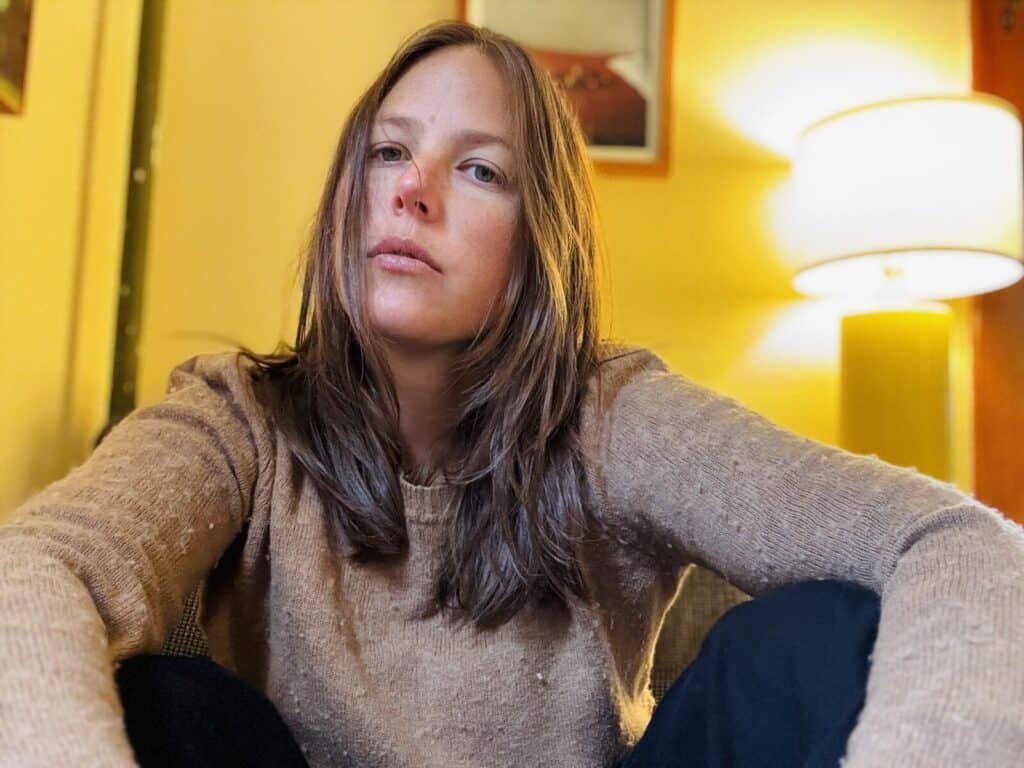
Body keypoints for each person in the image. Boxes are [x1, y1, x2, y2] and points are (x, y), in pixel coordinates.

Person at [1, 19, 1022, 768]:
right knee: (163, 701)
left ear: (539, 251)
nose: (413, 188)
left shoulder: (612, 419)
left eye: (478, 170)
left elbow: (959, 541)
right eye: (389, 151)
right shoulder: (238, 418)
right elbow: (35, 568)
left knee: (809, 638)